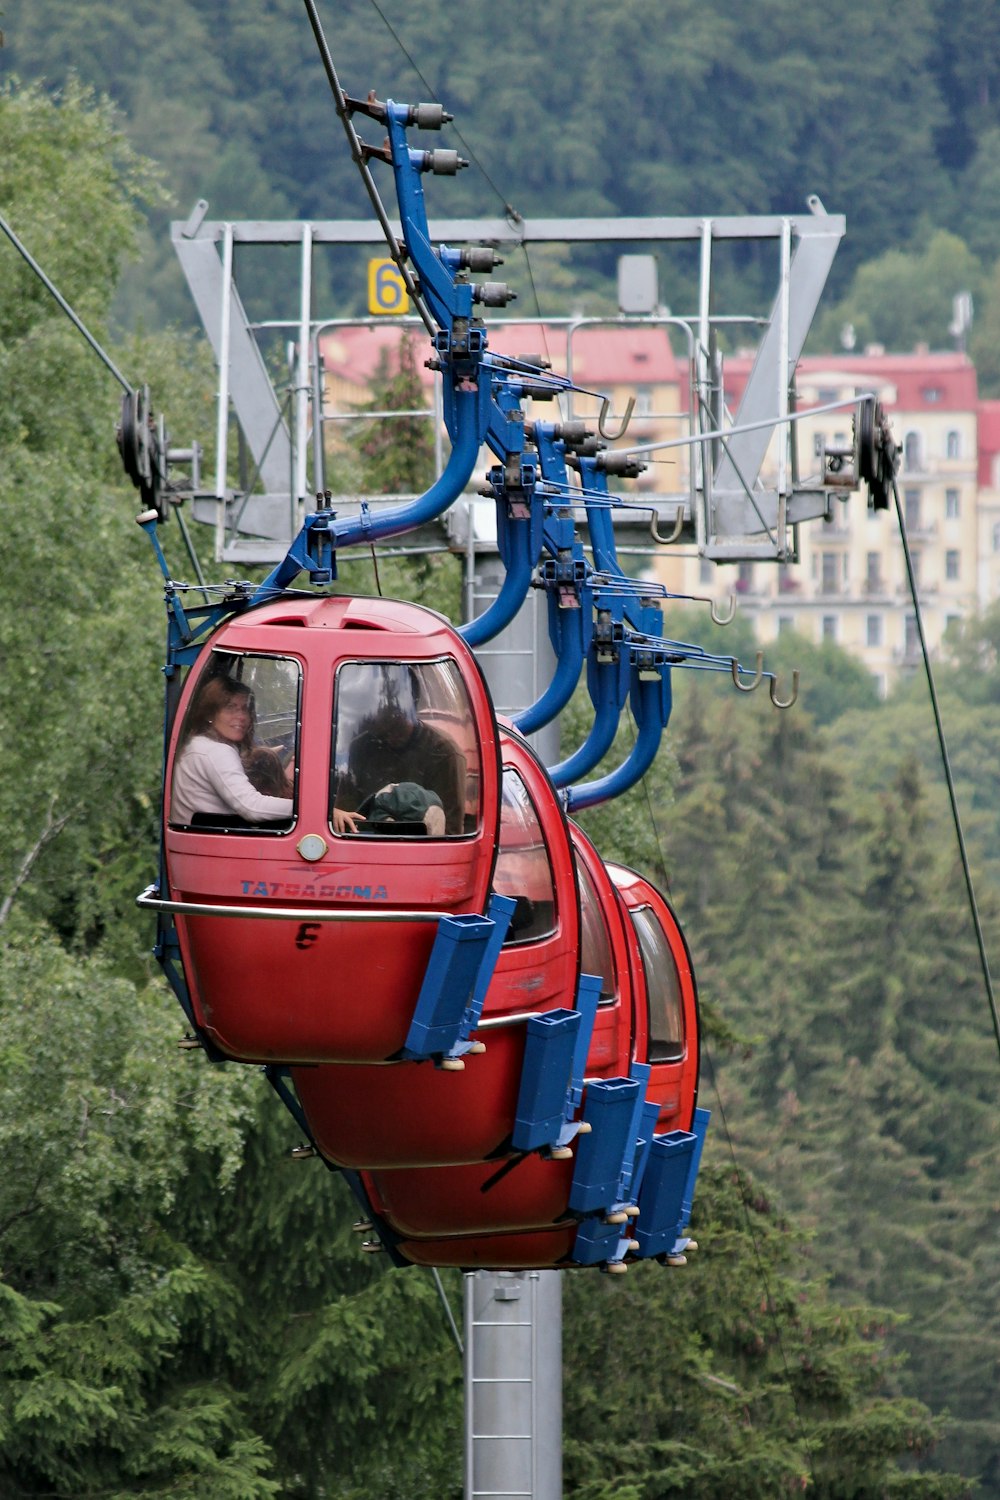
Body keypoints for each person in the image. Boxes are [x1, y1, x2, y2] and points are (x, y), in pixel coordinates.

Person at [171, 674, 294, 826]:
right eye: (231, 708)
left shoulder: (197, 744)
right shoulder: (215, 751)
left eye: (245, 709)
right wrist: (308, 809)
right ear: (210, 713)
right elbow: (251, 807)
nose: (241, 716)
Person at [334, 698, 464, 835]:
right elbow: (345, 807)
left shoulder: (443, 751)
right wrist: (336, 814)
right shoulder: (363, 746)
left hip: (418, 846)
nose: (391, 735)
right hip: (364, 840)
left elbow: (449, 831)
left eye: (396, 724)